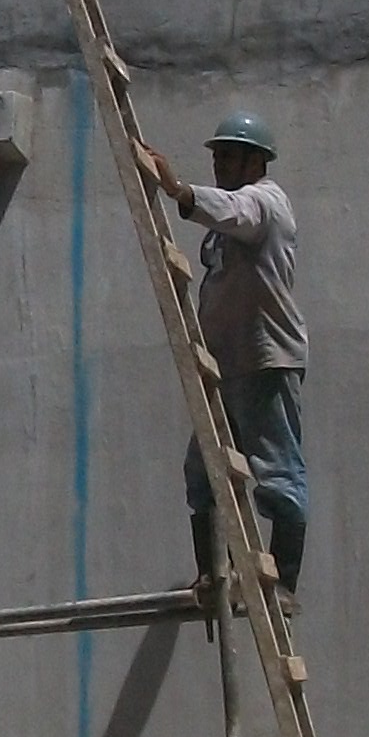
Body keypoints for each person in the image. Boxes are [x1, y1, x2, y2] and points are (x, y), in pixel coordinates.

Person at [138, 111, 310, 610]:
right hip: (226, 366)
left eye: (230, 157)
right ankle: (214, 574)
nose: (220, 164)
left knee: (277, 472)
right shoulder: (227, 225)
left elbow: (233, 209)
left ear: (257, 162)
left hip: (264, 358)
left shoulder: (265, 202)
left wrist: (178, 190)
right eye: (217, 156)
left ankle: (284, 584)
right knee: (204, 471)